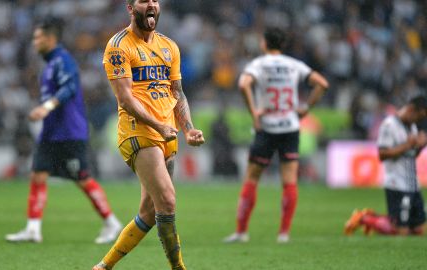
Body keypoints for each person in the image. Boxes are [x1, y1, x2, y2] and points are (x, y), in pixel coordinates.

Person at [92, 0, 205, 269]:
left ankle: (103, 266)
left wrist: (188, 128)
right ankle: (179, 268)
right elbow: (125, 98)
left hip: (168, 133)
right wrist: (158, 125)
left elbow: (177, 92)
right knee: (167, 200)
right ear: (131, 8)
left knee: (150, 211)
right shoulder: (119, 46)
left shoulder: (169, 46)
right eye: (144, 1)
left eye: (155, 0)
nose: (151, 5)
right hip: (138, 131)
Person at [5, 17, 122, 244]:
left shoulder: (63, 61)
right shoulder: (49, 65)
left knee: (82, 178)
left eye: (38, 38)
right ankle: (33, 228)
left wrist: (46, 107)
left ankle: (111, 222)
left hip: (70, 131)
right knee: (37, 175)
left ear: (50, 39)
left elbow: (69, 87)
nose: (34, 42)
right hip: (50, 132)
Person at [223, 27, 329, 244]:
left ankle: (242, 232)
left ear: (264, 43)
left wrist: (253, 112)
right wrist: (307, 107)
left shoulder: (258, 65)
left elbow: (244, 84)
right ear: (283, 45)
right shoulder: (294, 65)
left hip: (267, 127)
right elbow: (322, 84)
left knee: (252, 178)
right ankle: (284, 233)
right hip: (290, 126)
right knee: (289, 180)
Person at [344, 96, 427, 236]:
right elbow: (382, 154)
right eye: (420, 116)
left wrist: (420, 146)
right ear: (412, 109)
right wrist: (408, 145)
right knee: (402, 232)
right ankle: (366, 219)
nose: (420, 120)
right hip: (397, 185)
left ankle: (375, 219)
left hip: (412, 184)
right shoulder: (389, 125)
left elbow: (411, 155)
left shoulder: (411, 126)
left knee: (418, 230)